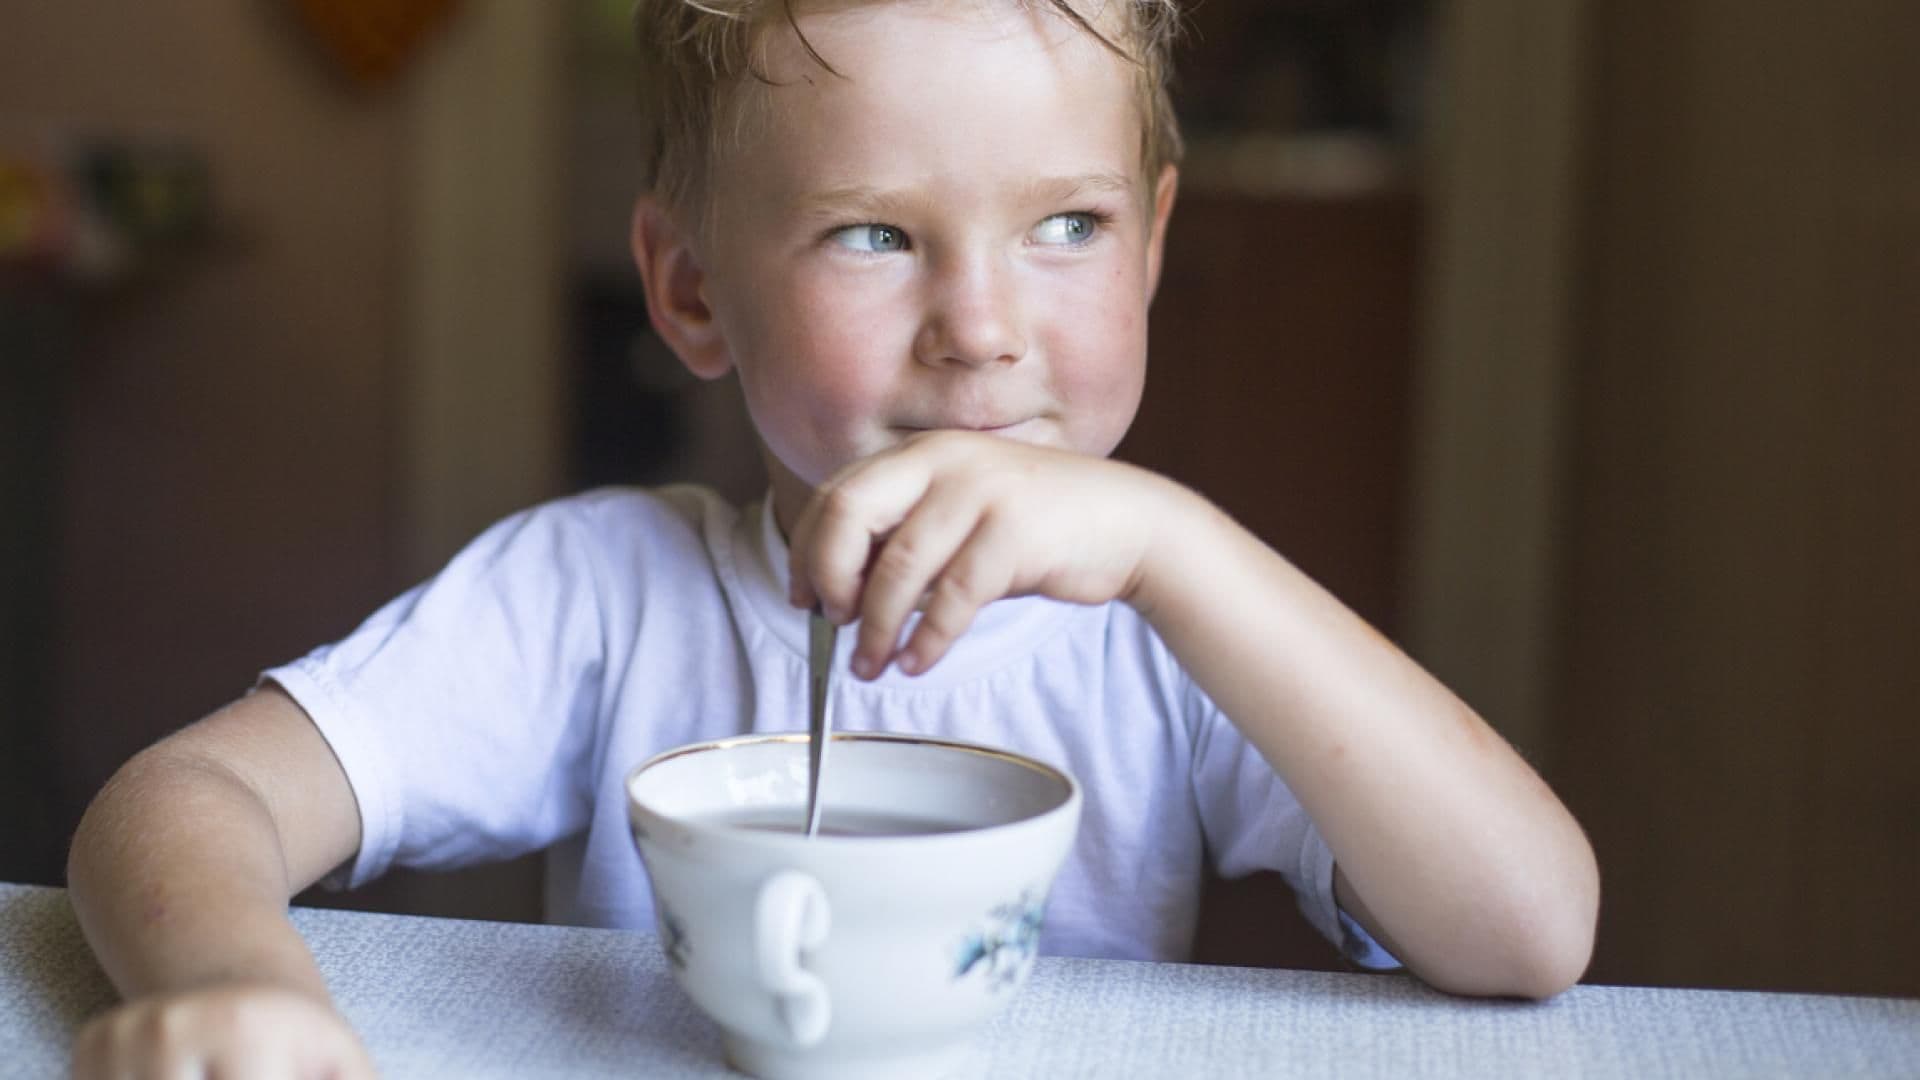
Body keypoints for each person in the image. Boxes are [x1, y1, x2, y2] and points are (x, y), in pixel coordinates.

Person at [65, 1, 1601, 1074]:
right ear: (690, 294)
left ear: (1153, 248)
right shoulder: (599, 601)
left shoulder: (1182, 625)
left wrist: (1183, 549)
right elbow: (182, 796)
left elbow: (1532, 930)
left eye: (1069, 224)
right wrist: (230, 985)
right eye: (875, 232)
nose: (986, 330)